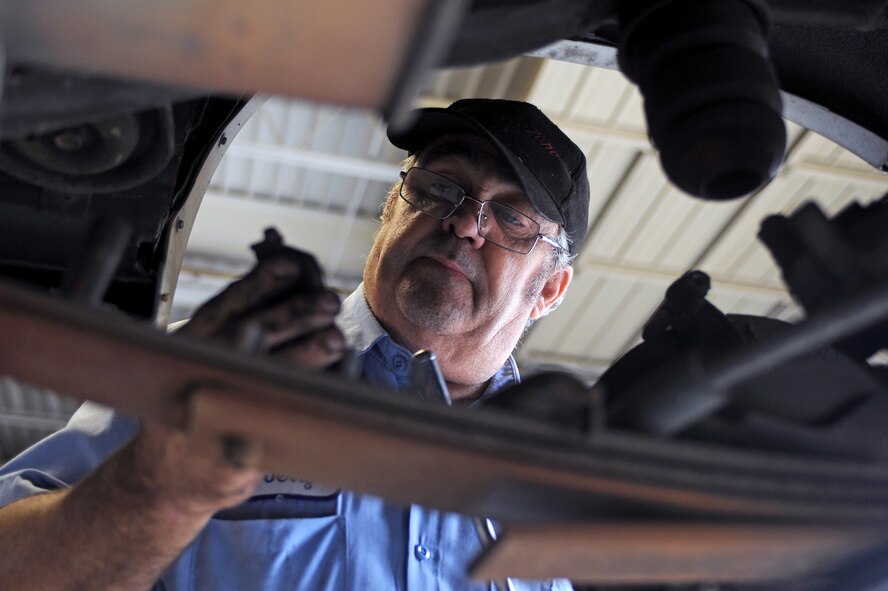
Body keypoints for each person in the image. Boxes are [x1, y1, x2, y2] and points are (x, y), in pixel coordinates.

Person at [0, 99, 590, 590]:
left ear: (551, 289)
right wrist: (155, 490)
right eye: (440, 187)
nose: (464, 223)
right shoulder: (218, 373)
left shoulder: (554, 492)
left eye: (511, 218)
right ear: (392, 206)